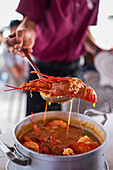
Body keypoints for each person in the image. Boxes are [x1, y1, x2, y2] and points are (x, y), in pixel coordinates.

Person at [4, 0, 100, 115]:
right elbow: (29, 22)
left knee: (75, 122)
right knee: (38, 125)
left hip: (77, 71)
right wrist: (24, 34)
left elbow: (83, 31)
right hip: (44, 68)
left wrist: (99, 51)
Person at [3, 20, 28, 86]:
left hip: (27, 79)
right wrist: (25, 66)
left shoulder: (26, 45)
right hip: (20, 84)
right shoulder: (8, 49)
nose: (15, 33)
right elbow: (17, 73)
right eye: (13, 31)